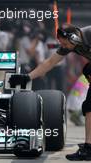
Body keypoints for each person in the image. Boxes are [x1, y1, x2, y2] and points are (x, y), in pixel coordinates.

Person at [9, 24, 91, 161]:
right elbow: (50, 62)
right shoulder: (71, 43)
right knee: (89, 106)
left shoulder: (89, 34)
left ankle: (89, 148)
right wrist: (27, 77)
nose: (63, 47)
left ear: (74, 38)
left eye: (64, 44)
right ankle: (89, 146)